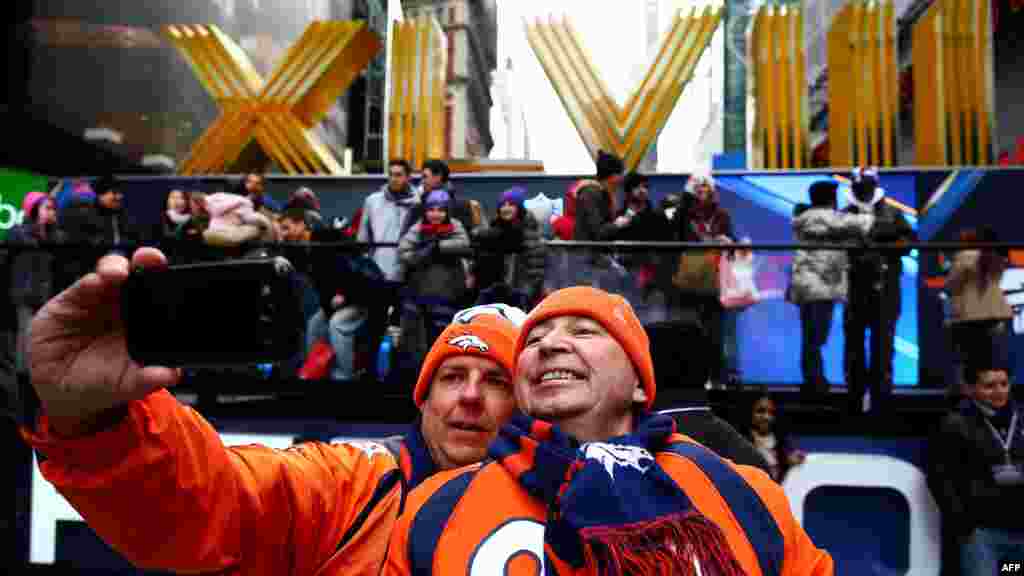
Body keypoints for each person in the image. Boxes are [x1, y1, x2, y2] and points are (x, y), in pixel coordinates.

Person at [20, 245, 525, 575]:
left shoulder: (580, 505)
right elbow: (216, 499)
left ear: (527, 403)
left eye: (496, 380)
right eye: (452, 376)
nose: (469, 395)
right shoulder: (354, 483)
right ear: (424, 397)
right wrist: (97, 420)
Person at [383, 286, 833, 575]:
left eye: (583, 331)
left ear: (640, 383)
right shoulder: (435, 506)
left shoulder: (742, 493)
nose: (552, 345)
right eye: (535, 341)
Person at [927, 355, 1023, 576]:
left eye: (1004, 384)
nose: (999, 391)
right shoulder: (955, 423)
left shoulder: (1020, 419)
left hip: (1019, 534)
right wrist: (963, 524)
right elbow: (939, 477)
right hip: (981, 536)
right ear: (971, 389)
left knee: (1013, 573)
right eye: (989, 386)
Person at [788, 180, 874, 398]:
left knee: (810, 338)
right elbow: (865, 224)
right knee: (815, 338)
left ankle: (813, 381)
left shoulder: (807, 218)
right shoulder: (828, 218)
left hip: (807, 286)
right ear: (829, 198)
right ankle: (816, 383)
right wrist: (864, 205)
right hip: (821, 287)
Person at [842, 167, 915, 415]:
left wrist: (884, 244)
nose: (863, 191)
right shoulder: (844, 214)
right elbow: (835, 246)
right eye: (859, 186)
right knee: (853, 348)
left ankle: (882, 400)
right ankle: (854, 398)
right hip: (853, 290)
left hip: (886, 291)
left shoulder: (893, 213)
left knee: (883, 348)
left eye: (867, 186)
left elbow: (909, 242)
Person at [945, 227, 1012, 396]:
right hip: (994, 316)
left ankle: (966, 396)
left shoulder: (964, 257)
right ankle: (992, 395)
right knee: (990, 360)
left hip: (969, 318)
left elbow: (951, 286)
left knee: (968, 361)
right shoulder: (997, 258)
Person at [358, 159, 421, 281]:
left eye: (398, 175)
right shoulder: (372, 201)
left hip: (408, 268)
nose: (393, 179)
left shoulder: (418, 203)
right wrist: (365, 261)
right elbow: (363, 236)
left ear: (408, 177)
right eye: (390, 174)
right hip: (378, 265)